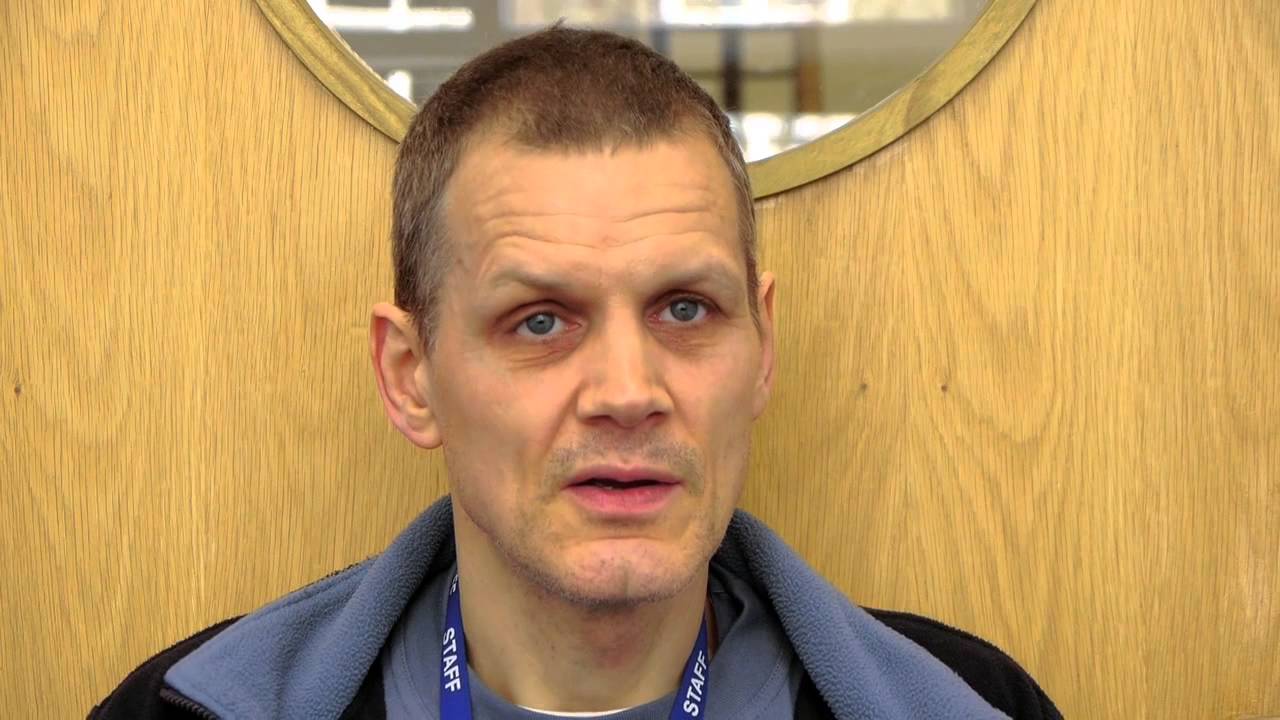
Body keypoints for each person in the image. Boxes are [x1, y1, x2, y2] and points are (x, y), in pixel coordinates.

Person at [93, 25, 1061, 720]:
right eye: (541, 321)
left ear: (761, 349)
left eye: (685, 309)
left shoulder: (974, 702)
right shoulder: (179, 710)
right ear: (410, 376)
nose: (627, 393)